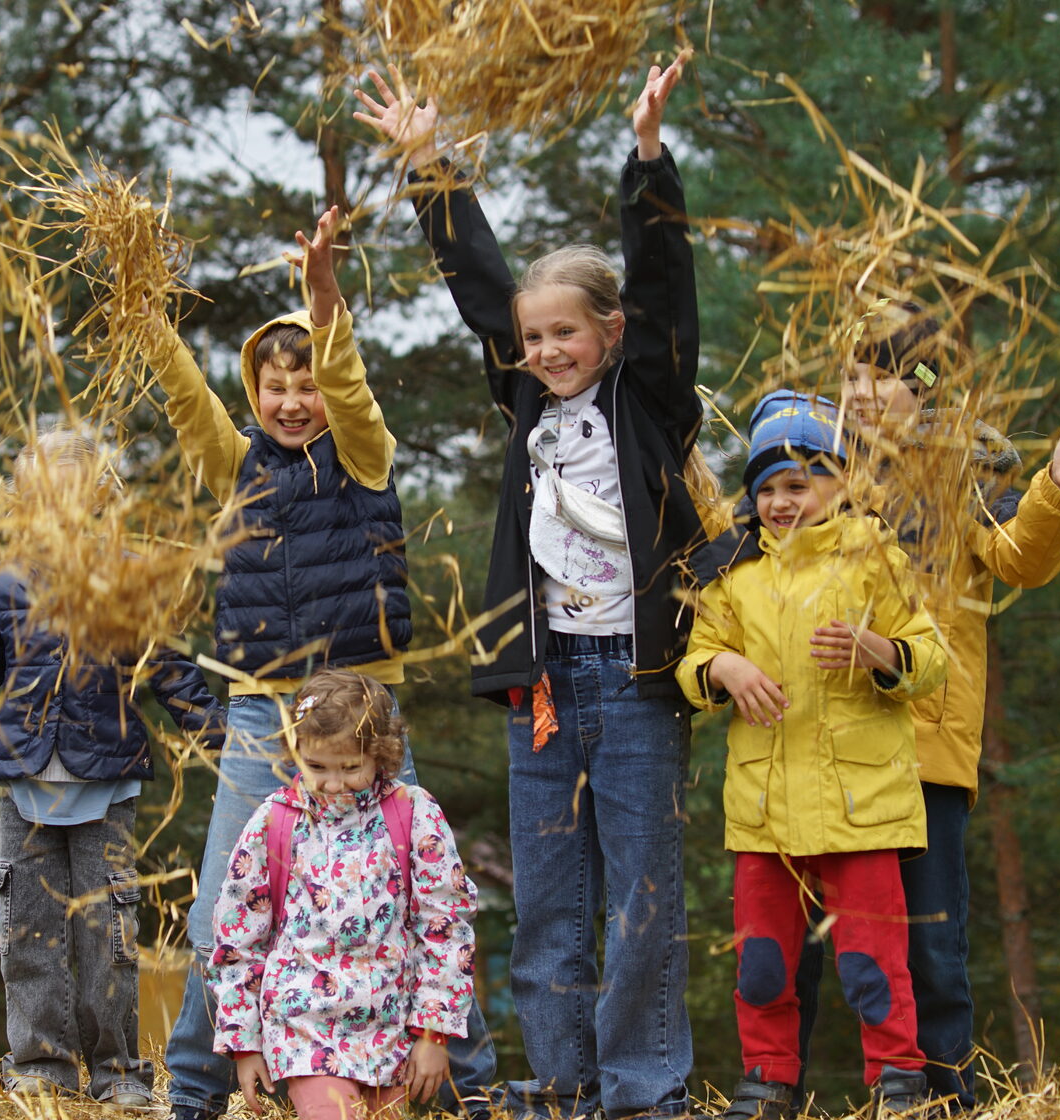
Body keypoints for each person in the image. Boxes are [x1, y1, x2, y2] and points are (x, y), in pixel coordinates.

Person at [356, 59, 701, 1119]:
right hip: (544, 684)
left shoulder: (650, 403)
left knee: (641, 891)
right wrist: (429, 165)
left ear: (612, 335)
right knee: (550, 893)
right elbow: (478, 276)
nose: (547, 349)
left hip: (637, 680)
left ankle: (642, 1090)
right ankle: (559, 1081)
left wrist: (648, 155)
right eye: (536, 336)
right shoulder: (525, 400)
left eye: (567, 333)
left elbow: (665, 278)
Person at [148, 207, 497, 1120]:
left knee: (424, 887)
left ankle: (477, 1086)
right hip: (266, 713)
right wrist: (146, 318)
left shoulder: (364, 459)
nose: (294, 400)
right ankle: (191, 1090)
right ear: (254, 395)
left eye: (306, 383)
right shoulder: (237, 468)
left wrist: (322, 301)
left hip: (366, 711)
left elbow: (352, 388)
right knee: (220, 904)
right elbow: (189, 400)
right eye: (275, 387)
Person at [788, 303, 1060, 1111]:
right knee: (798, 946)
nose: (867, 391)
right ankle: (779, 1091)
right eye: (854, 373)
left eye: (892, 376)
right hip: (815, 749)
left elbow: (1020, 560)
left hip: (920, 753)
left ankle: (946, 1096)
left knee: (930, 944)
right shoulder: (806, 470)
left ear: (927, 388)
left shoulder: (965, 471)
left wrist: (1056, 489)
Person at [680, 390, 950, 1119]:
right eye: (766, 489)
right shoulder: (736, 575)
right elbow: (694, 660)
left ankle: (897, 1083)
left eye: (797, 484)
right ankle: (768, 1080)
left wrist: (882, 651)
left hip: (860, 810)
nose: (779, 501)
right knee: (763, 964)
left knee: (872, 962)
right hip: (764, 812)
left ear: (840, 484)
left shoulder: (876, 557)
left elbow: (932, 660)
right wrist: (722, 671)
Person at [0, 427, 226, 1101]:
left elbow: (174, 674)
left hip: (108, 782)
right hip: (25, 785)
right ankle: (42, 1069)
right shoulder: (2, 584)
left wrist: (221, 740)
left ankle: (119, 1072)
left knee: (111, 939)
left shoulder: (130, 575)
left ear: (103, 498)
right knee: (27, 936)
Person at [208, 668, 478, 1120]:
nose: (333, 784)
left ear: (382, 756)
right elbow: (237, 941)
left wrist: (432, 1033)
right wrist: (243, 1044)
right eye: (316, 767)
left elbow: (445, 924)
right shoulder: (273, 823)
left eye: (350, 768)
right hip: (305, 1030)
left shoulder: (414, 814)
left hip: (390, 1032)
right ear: (296, 753)